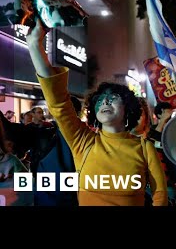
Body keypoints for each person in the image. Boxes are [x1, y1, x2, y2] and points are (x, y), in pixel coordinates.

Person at [26, 18, 168, 206]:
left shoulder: (144, 148)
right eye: (100, 99)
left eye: (113, 97)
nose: (105, 101)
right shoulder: (82, 141)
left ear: (128, 109)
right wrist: (35, 44)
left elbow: (160, 196)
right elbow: (58, 103)